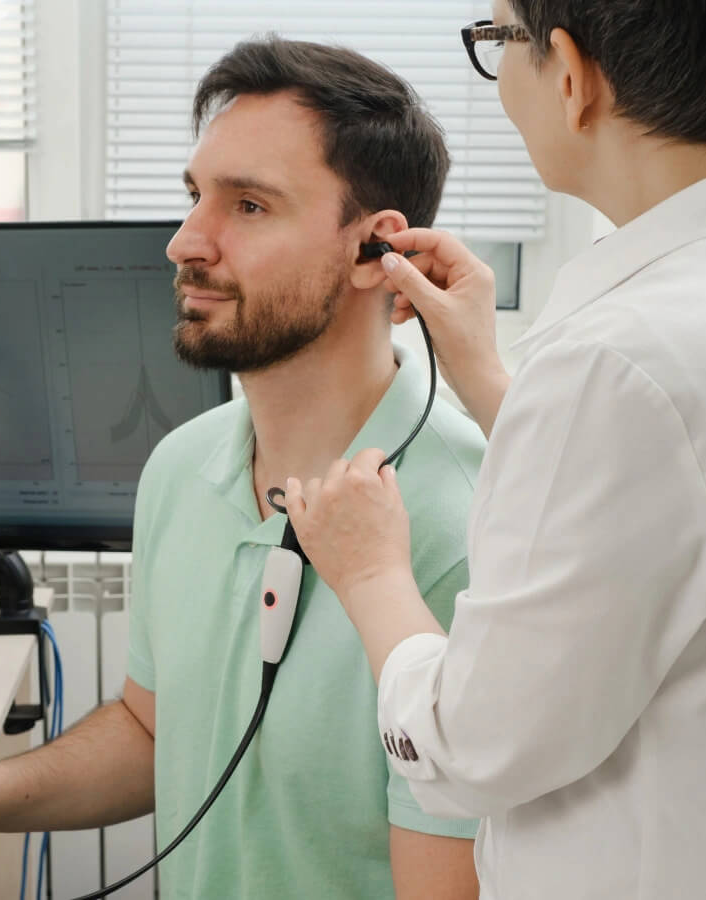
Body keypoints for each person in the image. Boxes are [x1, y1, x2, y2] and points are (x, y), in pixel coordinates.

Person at [0, 38, 487, 899]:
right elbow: (152, 730)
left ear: (371, 251)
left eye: (248, 205)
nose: (184, 242)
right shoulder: (182, 467)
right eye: (195, 196)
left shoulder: (467, 525)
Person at [284, 2, 706, 898]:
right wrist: (486, 374)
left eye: (496, 42)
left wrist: (368, 573)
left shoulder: (613, 359)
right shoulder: (654, 333)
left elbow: (476, 745)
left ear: (568, 74)